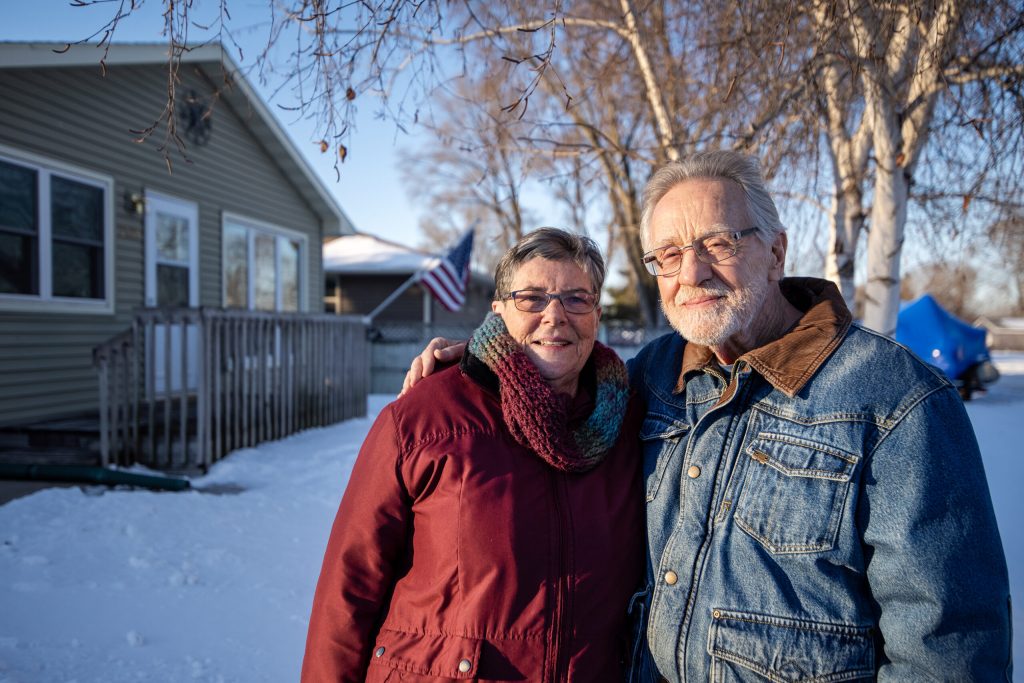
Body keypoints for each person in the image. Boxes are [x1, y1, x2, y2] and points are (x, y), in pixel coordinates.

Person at [402, 151, 1013, 681]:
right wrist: (484, 363)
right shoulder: (647, 378)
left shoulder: (898, 399)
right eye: (667, 255)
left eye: (718, 244)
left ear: (775, 253)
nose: (690, 273)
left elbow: (948, 645)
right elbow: (558, 389)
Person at [302, 228, 645, 682]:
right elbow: (349, 588)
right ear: (499, 310)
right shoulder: (424, 418)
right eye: (532, 298)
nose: (555, 315)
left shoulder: (634, 423)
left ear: (597, 314)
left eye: (576, 298)